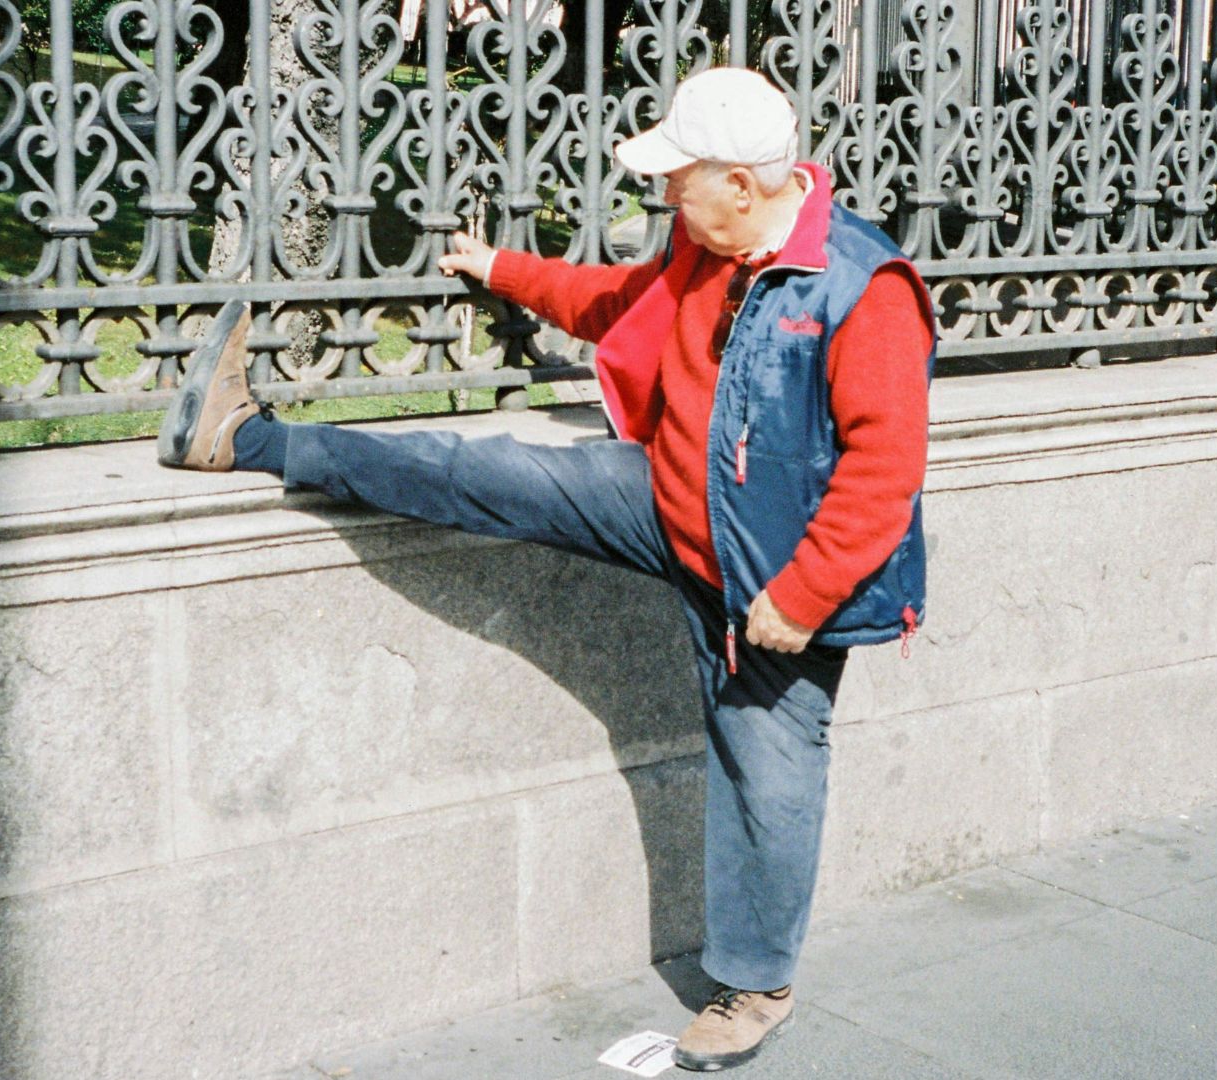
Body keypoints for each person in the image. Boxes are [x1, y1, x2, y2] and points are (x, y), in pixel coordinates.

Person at [156, 67, 935, 1072]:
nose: (665, 195)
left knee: (768, 777)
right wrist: (500, 267)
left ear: (742, 183)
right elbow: (616, 303)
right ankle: (250, 438)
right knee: (480, 474)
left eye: (680, 177)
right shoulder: (707, 244)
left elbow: (885, 472)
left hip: (776, 588)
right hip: (666, 503)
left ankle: (754, 988)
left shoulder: (863, 288)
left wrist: (802, 594)